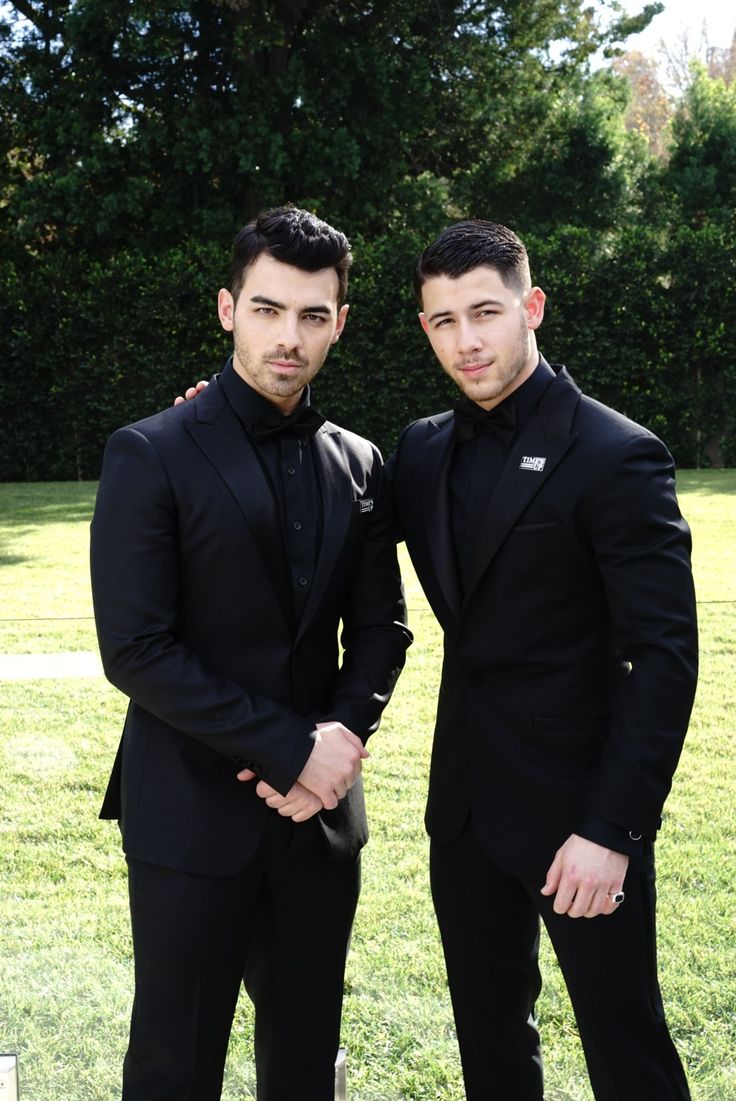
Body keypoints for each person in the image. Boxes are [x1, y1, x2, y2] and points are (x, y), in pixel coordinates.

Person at [90, 205, 411, 1101]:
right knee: (174, 1062)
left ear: (339, 323)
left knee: (307, 1062)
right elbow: (136, 648)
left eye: (313, 316)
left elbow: (381, 628)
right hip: (188, 817)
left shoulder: (362, 461)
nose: (289, 336)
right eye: (268, 309)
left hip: (322, 821)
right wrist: (290, 748)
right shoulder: (149, 452)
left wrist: (339, 739)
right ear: (228, 308)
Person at [386, 219, 698, 1100]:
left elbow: (666, 656)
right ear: (425, 329)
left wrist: (613, 830)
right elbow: (328, 504)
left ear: (532, 307)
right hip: (465, 815)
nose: (467, 339)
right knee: (490, 1046)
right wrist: (210, 421)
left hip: (582, 817)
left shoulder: (617, 453)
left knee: (625, 1044)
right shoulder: (418, 450)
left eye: (485, 312)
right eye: (443, 320)